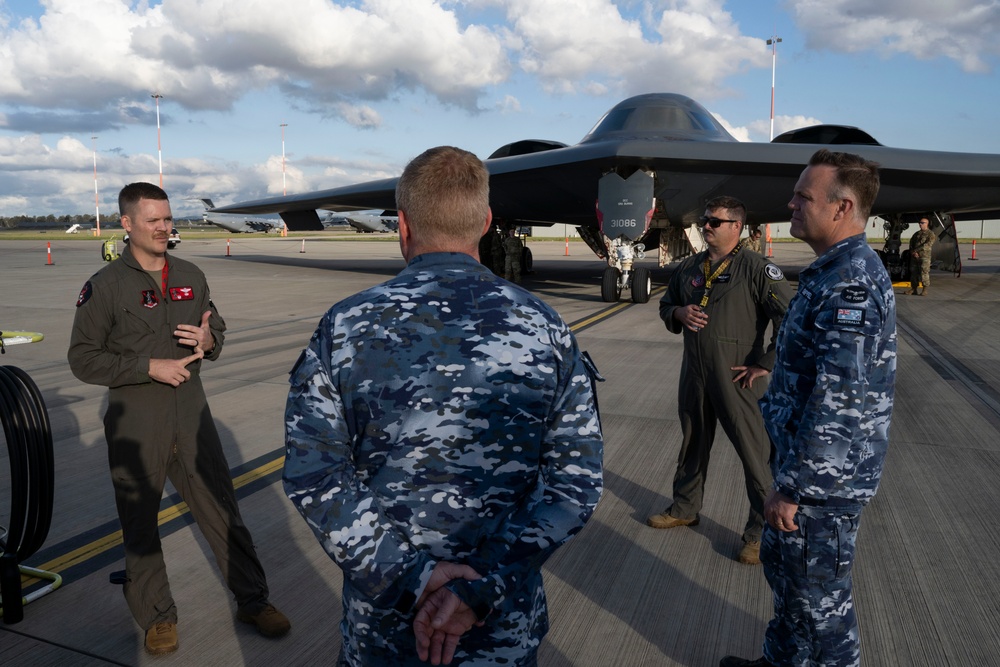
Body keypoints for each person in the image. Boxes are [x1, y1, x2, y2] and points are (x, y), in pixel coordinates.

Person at [282, 146, 604, 666]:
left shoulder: (345, 327)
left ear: (402, 225)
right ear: (486, 222)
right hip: (500, 624)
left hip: (387, 626)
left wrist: (412, 579)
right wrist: (480, 589)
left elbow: (316, 476)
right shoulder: (544, 328)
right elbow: (575, 483)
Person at [68, 183, 290, 655]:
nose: (165, 227)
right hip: (136, 422)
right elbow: (83, 359)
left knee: (222, 510)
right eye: (154, 220)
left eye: (168, 218)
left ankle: (253, 600)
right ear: (127, 224)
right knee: (141, 523)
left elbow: (217, 326)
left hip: (192, 415)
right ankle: (157, 616)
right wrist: (148, 366)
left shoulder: (191, 273)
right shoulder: (105, 287)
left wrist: (210, 343)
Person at [720, 150, 896, 667]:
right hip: (802, 467)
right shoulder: (831, 271)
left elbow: (839, 403)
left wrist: (796, 488)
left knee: (822, 612)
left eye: (804, 196)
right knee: (792, 593)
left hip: (820, 488)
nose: (790, 203)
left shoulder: (851, 284)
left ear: (842, 208)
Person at [647, 196, 792, 564]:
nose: (706, 226)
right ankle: (685, 507)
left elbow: (790, 319)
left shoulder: (757, 269)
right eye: (705, 220)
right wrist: (679, 311)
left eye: (714, 221)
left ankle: (760, 532)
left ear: (736, 227)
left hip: (738, 378)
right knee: (693, 443)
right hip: (694, 374)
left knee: (754, 456)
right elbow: (666, 304)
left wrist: (766, 363)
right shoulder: (690, 268)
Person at [907, 216, 935, 295]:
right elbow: (911, 243)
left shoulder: (931, 234)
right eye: (920, 223)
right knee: (914, 273)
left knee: (924, 273)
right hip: (915, 256)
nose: (920, 224)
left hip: (924, 257)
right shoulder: (916, 234)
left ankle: (924, 290)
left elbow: (928, 245)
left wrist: (917, 251)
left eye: (922, 223)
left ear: (927, 224)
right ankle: (913, 289)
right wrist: (913, 252)